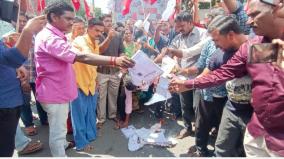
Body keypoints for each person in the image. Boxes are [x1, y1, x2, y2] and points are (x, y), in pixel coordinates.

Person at [169, 0, 284, 156]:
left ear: (279, 9)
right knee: (223, 149)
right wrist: (189, 84)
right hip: (257, 130)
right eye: (249, 16)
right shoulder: (258, 48)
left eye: (255, 14)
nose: (250, 21)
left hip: (278, 139)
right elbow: (223, 73)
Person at [34, 2, 134, 157]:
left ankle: (68, 144)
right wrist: (114, 60)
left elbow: (89, 57)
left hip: (70, 88)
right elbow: (83, 57)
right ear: (53, 17)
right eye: (68, 19)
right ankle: (62, 153)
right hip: (57, 92)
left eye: (73, 19)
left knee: (83, 116)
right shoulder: (50, 38)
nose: (72, 23)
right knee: (59, 132)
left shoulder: (58, 36)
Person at [0, 15, 46, 157]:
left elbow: (7, 59)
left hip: (12, 96)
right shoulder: (20, 34)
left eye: (24, 22)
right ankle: (27, 128)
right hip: (5, 103)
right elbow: (13, 57)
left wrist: (17, 66)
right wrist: (28, 31)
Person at [161, 11, 208, 139]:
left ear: (190, 23)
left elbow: (192, 53)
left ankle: (200, 134)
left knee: (198, 107)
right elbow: (172, 53)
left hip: (199, 77)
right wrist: (172, 60)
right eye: (178, 26)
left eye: (182, 26)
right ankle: (187, 128)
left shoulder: (203, 34)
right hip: (182, 77)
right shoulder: (178, 37)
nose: (180, 29)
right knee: (185, 105)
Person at [70, 18, 104, 152]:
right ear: (88, 28)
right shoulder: (79, 41)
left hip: (91, 84)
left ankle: (90, 135)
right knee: (79, 116)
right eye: (96, 30)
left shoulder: (95, 43)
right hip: (78, 84)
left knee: (90, 113)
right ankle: (81, 143)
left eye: (101, 31)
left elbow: (93, 66)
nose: (99, 33)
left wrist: (95, 81)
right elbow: (84, 57)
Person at [96, 14, 126, 129]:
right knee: (101, 96)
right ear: (102, 22)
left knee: (113, 95)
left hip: (115, 71)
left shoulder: (118, 36)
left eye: (110, 21)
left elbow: (121, 51)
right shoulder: (98, 35)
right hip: (101, 71)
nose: (109, 23)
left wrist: (122, 61)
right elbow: (99, 51)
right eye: (106, 21)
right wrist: (108, 37)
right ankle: (101, 118)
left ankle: (112, 114)